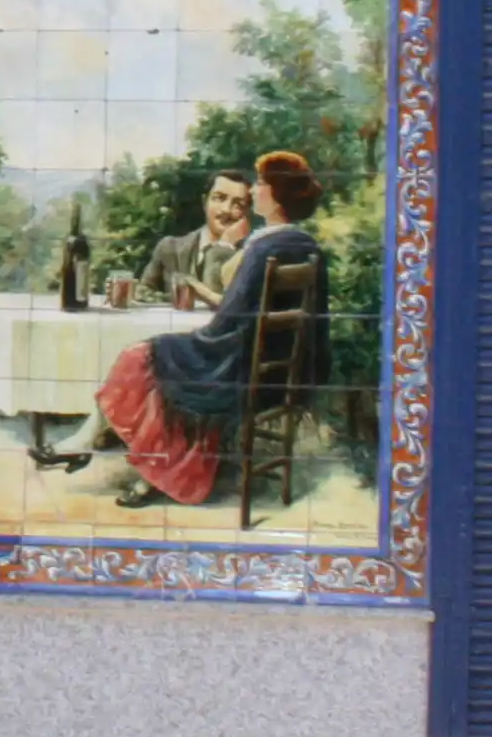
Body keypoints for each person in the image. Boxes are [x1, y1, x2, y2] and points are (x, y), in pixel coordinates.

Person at [37, 149, 326, 510]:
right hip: (273, 371)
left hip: (238, 368)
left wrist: (193, 343)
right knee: (161, 361)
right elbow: (242, 306)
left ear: (277, 194)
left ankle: (99, 447)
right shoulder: (301, 244)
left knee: (141, 357)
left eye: (263, 183)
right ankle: (135, 464)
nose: (255, 190)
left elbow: (228, 319)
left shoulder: (265, 246)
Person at [139, 172, 253, 310]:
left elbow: (226, 307)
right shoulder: (169, 248)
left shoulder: (250, 255)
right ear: (205, 202)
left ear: (246, 213)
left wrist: (223, 246)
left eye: (238, 205)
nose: (226, 210)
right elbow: (142, 293)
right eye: (219, 198)